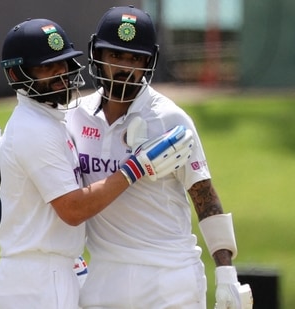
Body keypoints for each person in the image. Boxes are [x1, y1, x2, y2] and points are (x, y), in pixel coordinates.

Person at [0, 18, 194, 309]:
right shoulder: (36, 129)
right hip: (39, 277)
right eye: (47, 67)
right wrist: (137, 167)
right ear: (15, 73)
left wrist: (2, 154)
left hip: (49, 269)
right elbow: (73, 209)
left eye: (63, 64)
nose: (61, 74)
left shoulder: (49, 121)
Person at [65, 6, 252, 309]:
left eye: (135, 58)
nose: (126, 67)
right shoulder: (76, 116)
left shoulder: (169, 119)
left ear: (148, 62)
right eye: (116, 55)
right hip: (104, 276)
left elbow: (205, 197)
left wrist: (227, 274)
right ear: (97, 54)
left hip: (169, 277)